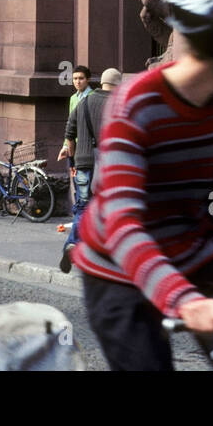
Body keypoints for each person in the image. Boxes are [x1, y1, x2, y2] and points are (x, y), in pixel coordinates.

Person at [72, 0, 213, 371]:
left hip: (194, 253)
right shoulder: (136, 104)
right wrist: (183, 300)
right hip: (116, 269)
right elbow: (122, 225)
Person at [57, 67, 121, 274]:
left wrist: (73, 161)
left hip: (83, 163)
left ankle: (75, 244)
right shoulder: (117, 104)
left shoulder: (84, 101)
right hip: (107, 165)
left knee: (84, 206)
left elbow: (69, 131)